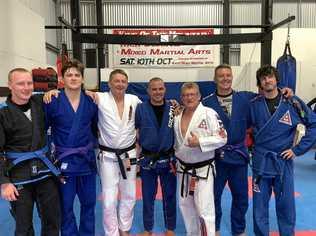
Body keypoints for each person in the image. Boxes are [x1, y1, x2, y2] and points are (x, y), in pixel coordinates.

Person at [202, 64, 293, 236]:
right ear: (215, 79)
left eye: (228, 75)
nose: (225, 78)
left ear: (232, 77)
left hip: (238, 158)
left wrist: (285, 91)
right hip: (215, 158)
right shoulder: (206, 103)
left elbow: (269, 93)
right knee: (212, 198)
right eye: (221, 76)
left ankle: (238, 229)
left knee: (241, 198)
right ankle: (215, 228)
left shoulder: (245, 99)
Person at [250, 65, 316, 236]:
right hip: (261, 161)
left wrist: (297, 150)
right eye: (263, 78)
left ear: (276, 79)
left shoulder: (292, 102)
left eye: (270, 77)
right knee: (259, 206)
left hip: (283, 160)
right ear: (260, 83)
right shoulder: (254, 104)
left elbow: (313, 124)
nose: (267, 80)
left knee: (286, 205)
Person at [0, 68, 61, 235]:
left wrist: (91, 95)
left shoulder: (40, 102)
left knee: (52, 220)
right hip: (19, 174)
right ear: (10, 85)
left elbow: (70, 98)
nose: (26, 87)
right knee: (23, 226)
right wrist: (4, 182)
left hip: (44, 170)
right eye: (20, 83)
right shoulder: (2, 112)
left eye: (29, 83)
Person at [44, 60, 98, 236]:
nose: (73, 78)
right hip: (63, 163)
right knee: (65, 206)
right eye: (69, 75)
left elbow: (96, 128)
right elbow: (43, 129)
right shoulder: (52, 100)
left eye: (77, 75)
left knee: (89, 204)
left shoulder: (91, 101)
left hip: (86, 162)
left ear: (82, 79)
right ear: (62, 78)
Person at [174, 82, 227, 236]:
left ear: (199, 96)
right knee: (185, 206)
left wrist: (201, 142)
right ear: (181, 98)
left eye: (192, 94)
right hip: (182, 169)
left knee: (204, 209)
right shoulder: (177, 115)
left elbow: (223, 138)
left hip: (203, 170)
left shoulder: (209, 113)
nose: (189, 98)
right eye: (185, 95)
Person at [97, 69, 141, 236]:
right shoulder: (100, 98)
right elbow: (78, 93)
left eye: (123, 81)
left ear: (127, 84)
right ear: (109, 83)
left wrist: (171, 105)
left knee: (130, 193)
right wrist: (54, 91)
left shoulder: (134, 100)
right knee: (109, 199)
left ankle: (124, 228)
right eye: (116, 80)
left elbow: (152, 109)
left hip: (129, 155)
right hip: (107, 156)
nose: (120, 84)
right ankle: (112, 232)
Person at [135, 77, 177, 236]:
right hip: (148, 160)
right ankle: (147, 228)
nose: (158, 92)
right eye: (154, 89)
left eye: (160, 89)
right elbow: (136, 131)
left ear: (165, 89)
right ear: (148, 91)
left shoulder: (173, 107)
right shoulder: (140, 108)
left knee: (170, 196)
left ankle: (170, 228)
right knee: (147, 196)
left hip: (168, 160)